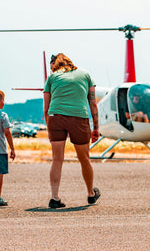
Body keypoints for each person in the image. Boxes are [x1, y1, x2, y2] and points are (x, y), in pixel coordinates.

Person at [43, 53, 101, 208]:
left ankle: (54, 198)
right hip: (78, 118)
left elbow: (46, 109)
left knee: (57, 159)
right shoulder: (85, 74)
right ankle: (90, 194)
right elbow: (93, 104)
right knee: (84, 158)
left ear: (55, 65)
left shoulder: (52, 77)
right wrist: (96, 127)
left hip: (56, 117)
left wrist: (50, 127)